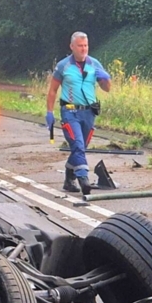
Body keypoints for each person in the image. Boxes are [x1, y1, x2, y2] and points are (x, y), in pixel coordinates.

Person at [45, 31, 111, 195]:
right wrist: (49, 112)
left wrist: (105, 78)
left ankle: (69, 179)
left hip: (89, 113)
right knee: (78, 146)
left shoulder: (94, 63)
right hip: (70, 112)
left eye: (86, 45)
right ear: (72, 46)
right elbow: (53, 90)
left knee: (80, 148)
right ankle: (84, 179)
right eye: (80, 46)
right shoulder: (63, 66)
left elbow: (107, 88)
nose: (83, 49)